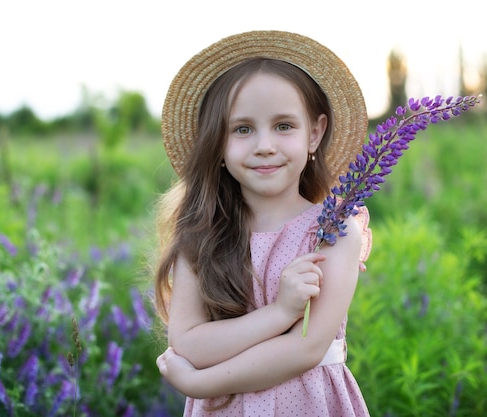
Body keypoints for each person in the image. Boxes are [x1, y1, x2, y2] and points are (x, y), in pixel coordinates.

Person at [153, 30, 372, 416]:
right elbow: (187, 342)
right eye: (242, 129)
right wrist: (279, 313)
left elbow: (306, 348)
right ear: (217, 143)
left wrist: (199, 383)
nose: (264, 145)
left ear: (315, 133)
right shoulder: (203, 233)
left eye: (284, 126)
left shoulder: (334, 232)